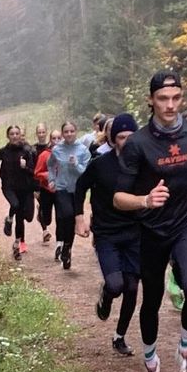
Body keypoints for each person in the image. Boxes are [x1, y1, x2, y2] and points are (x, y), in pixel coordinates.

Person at [114, 70, 187, 372]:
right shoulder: (138, 144)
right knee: (153, 298)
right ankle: (150, 362)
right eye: (163, 99)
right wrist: (145, 200)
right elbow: (118, 197)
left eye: (175, 98)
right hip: (152, 229)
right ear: (151, 100)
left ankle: (185, 352)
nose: (170, 105)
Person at [74, 113, 141, 356]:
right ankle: (106, 294)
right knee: (116, 284)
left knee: (132, 288)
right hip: (107, 233)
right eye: (121, 137)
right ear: (113, 140)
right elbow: (80, 187)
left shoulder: (143, 164)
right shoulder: (100, 164)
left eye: (130, 137)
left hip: (135, 233)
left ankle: (120, 336)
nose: (126, 141)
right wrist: (79, 217)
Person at [48, 121, 91, 270]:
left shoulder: (84, 150)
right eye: (66, 132)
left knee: (72, 218)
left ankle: (67, 248)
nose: (69, 134)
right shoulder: (57, 149)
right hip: (62, 188)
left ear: (76, 131)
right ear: (62, 133)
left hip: (78, 190)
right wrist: (52, 179)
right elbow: (50, 165)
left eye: (72, 131)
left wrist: (76, 165)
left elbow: (86, 173)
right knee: (66, 215)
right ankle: (64, 245)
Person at [0, 124, 36, 260]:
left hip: (23, 187)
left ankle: (17, 244)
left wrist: (25, 166)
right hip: (8, 186)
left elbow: (32, 171)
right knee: (15, 205)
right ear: (8, 136)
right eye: (12, 134)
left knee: (21, 217)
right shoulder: (3, 151)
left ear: (20, 135)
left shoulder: (27, 151)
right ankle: (9, 219)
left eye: (17, 134)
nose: (15, 136)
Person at [33, 122, 54, 243]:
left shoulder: (50, 148)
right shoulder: (32, 149)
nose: (41, 134)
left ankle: (42, 219)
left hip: (48, 183)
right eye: (39, 132)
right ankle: (45, 231)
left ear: (46, 132)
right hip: (37, 183)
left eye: (43, 132)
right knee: (42, 204)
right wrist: (34, 187)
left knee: (45, 212)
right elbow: (32, 168)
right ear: (36, 134)